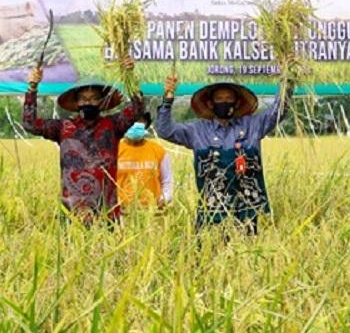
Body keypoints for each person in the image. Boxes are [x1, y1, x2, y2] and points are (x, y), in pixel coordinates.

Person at [155, 74, 293, 234]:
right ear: (210, 103)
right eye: (219, 98)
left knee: (251, 253)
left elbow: (278, 111)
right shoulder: (197, 130)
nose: (224, 102)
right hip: (212, 214)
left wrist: (287, 80)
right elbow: (165, 130)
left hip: (250, 211)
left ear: (237, 102)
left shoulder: (253, 125)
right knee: (210, 254)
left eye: (229, 98)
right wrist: (167, 99)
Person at [23, 58, 144, 224]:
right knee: (70, 248)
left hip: (106, 210)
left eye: (94, 98)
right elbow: (30, 124)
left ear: (102, 102)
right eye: (83, 98)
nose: (88, 102)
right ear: (76, 102)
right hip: (72, 210)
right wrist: (32, 88)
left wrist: (130, 75)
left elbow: (137, 108)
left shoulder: (113, 125)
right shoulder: (63, 128)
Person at [116, 112, 173, 210]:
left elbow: (167, 181)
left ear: (146, 124)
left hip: (153, 212)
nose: (135, 125)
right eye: (132, 121)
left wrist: (164, 199)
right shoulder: (114, 150)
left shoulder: (158, 151)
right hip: (123, 212)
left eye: (140, 121)